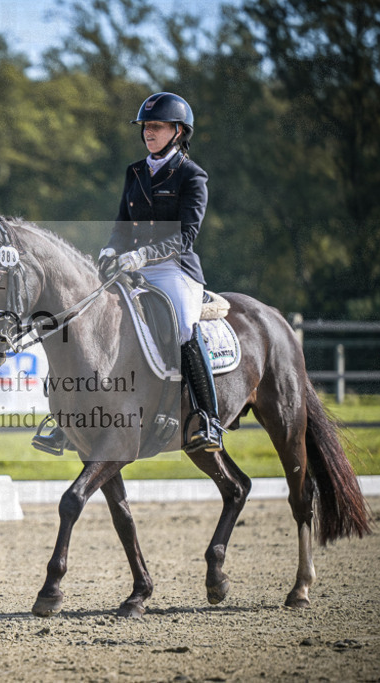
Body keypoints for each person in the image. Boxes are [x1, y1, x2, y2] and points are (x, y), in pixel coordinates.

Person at [33, 92, 224, 456]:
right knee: (81, 314)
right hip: (130, 264)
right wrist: (111, 248)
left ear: (179, 131)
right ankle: (64, 420)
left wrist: (142, 256)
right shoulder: (135, 171)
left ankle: (207, 418)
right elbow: (123, 223)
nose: (148, 133)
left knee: (185, 326)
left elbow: (186, 236)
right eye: (146, 127)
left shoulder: (192, 176)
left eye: (156, 127)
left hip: (173, 269)